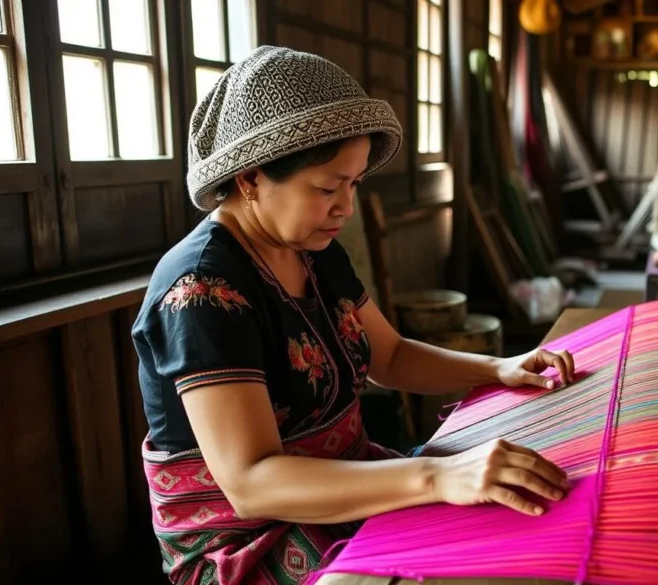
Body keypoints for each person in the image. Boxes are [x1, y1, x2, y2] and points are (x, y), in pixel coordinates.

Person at [131, 46, 576, 585]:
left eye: (354, 183)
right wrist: (436, 477)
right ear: (250, 179)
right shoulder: (202, 291)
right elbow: (251, 483)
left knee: (518, 512)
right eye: (326, 187)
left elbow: (388, 354)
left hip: (345, 480)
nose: (346, 206)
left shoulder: (312, 249)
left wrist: (498, 368)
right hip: (246, 537)